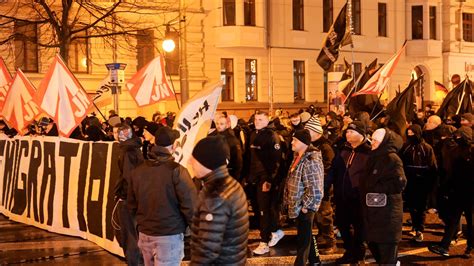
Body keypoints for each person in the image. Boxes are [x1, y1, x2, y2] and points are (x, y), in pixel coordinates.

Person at [128, 127, 197, 266]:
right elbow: (191, 205)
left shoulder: (138, 171)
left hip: (145, 234)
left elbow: (131, 204)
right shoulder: (177, 171)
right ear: (174, 146)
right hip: (169, 235)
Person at [190, 136, 249, 265]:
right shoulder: (230, 183)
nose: (190, 162)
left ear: (207, 162)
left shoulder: (215, 196)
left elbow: (207, 249)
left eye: (194, 159)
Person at [360, 128, 407, 265]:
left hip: (387, 213)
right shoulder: (373, 156)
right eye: (372, 139)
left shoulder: (392, 159)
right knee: (376, 247)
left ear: (385, 142)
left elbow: (400, 183)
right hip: (374, 211)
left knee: (387, 253)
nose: (372, 143)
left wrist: (375, 188)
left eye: (375, 140)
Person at [328, 121, 371, 264]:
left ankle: (359, 255)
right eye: (347, 131)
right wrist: (327, 185)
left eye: (352, 132)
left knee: (360, 228)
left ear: (361, 134)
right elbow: (333, 170)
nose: (348, 134)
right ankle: (349, 251)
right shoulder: (343, 149)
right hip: (342, 196)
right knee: (342, 224)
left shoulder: (368, 152)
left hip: (358, 198)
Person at [429, 126, 473, 258]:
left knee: (470, 221)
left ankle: (469, 247)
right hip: (459, 191)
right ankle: (444, 246)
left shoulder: (469, 151)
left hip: (470, 193)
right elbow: (452, 172)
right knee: (453, 220)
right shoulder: (457, 151)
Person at [245, 110, 284, 255]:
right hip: (254, 179)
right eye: (256, 119)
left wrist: (268, 180)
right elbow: (250, 158)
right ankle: (273, 232)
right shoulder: (253, 134)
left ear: (267, 120)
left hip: (265, 179)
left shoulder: (272, 136)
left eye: (261, 119)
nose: (257, 122)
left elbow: (276, 162)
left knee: (264, 211)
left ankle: (264, 241)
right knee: (259, 211)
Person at [285, 129, 324, 266]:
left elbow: (316, 187)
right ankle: (315, 260)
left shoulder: (311, 160)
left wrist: (307, 206)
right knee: (306, 234)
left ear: (303, 142)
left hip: (305, 206)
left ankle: (300, 263)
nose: (292, 142)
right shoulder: (298, 156)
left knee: (303, 239)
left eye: (294, 140)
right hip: (298, 204)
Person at [113, 124, 144, 265]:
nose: (114, 135)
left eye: (116, 132)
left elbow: (129, 177)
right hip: (133, 198)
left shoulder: (127, 152)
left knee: (129, 236)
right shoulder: (134, 149)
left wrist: (125, 196)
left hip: (128, 200)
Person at [305, 116, 336, 254]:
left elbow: (328, 168)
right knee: (317, 214)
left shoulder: (325, 147)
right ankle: (322, 236)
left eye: (309, 131)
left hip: (322, 186)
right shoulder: (312, 145)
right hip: (313, 186)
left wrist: (322, 185)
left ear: (317, 133)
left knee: (324, 215)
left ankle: (330, 242)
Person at [400, 124, 437, 242]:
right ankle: (415, 226)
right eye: (408, 133)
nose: (410, 136)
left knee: (421, 207)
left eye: (412, 133)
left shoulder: (426, 148)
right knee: (411, 206)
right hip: (410, 182)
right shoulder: (406, 147)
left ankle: (419, 229)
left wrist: (431, 183)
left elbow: (432, 166)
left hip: (422, 182)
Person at [216, 115, 243, 181]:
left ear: (227, 125)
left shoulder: (232, 139)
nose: (218, 126)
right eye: (217, 123)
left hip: (229, 173)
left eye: (221, 124)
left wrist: (235, 177)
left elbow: (238, 160)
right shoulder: (217, 137)